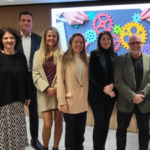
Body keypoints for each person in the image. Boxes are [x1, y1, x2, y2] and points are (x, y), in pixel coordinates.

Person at [114, 34, 150, 150]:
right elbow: (118, 81)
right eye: (132, 43)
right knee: (121, 131)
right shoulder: (120, 60)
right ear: (128, 45)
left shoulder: (149, 59)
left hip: (144, 103)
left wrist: (142, 95)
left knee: (144, 131)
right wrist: (132, 96)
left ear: (142, 43)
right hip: (125, 102)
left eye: (138, 42)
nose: (135, 45)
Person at [32, 26, 63, 150]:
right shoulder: (37, 54)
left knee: (59, 122)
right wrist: (46, 88)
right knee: (47, 124)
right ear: (45, 38)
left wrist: (56, 87)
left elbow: (65, 74)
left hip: (58, 92)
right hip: (44, 93)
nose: (51, 38)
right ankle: (45, 147)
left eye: (54, 36)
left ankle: (55, 147)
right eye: (49, 36)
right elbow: (35, 73)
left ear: (57, 38)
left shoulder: (62, 54)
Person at [0, 27, 30, 150]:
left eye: (11, 37)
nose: (9, 40)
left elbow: (26, 78)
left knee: (17, 131)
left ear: (16, 40)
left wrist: (28, 95)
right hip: (2, 101)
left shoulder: (21, 57)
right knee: (4, 133)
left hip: (18, 100)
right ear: (1, 40)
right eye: (5, 38)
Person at [57, 33, 89, 150]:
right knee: (70, 133)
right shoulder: (63, 59)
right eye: (76, 42)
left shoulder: (87, 58)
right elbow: (60, 82)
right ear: (71, 43)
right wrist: (62, 101)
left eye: (81, 42)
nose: (78, 44)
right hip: (69, 102)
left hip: (83, 102)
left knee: (80, 133)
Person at [17, 11, 43, 150]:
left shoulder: (39, 39)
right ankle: (18, 138)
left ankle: (34, 138)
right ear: (19, 22)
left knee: (34, 110)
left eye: (29, 20)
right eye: (23, 20)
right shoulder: (13, 38)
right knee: (16, 109)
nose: (26, 23)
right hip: (17, 79)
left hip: (33, 77)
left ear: (32, 23)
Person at [88, 31, 117, 150]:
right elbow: (93, 75)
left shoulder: (115, 55)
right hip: (97, 95)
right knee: (99, 124)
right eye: (103, 39)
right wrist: (106, 88)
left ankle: (102, 147)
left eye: (108, 39)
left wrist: (112, 86)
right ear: (99, 41)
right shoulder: (94, 54)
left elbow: (117, 74)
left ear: (111, 40)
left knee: (106, 123)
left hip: (111, 96)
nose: (106, 41)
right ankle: (97, 148)